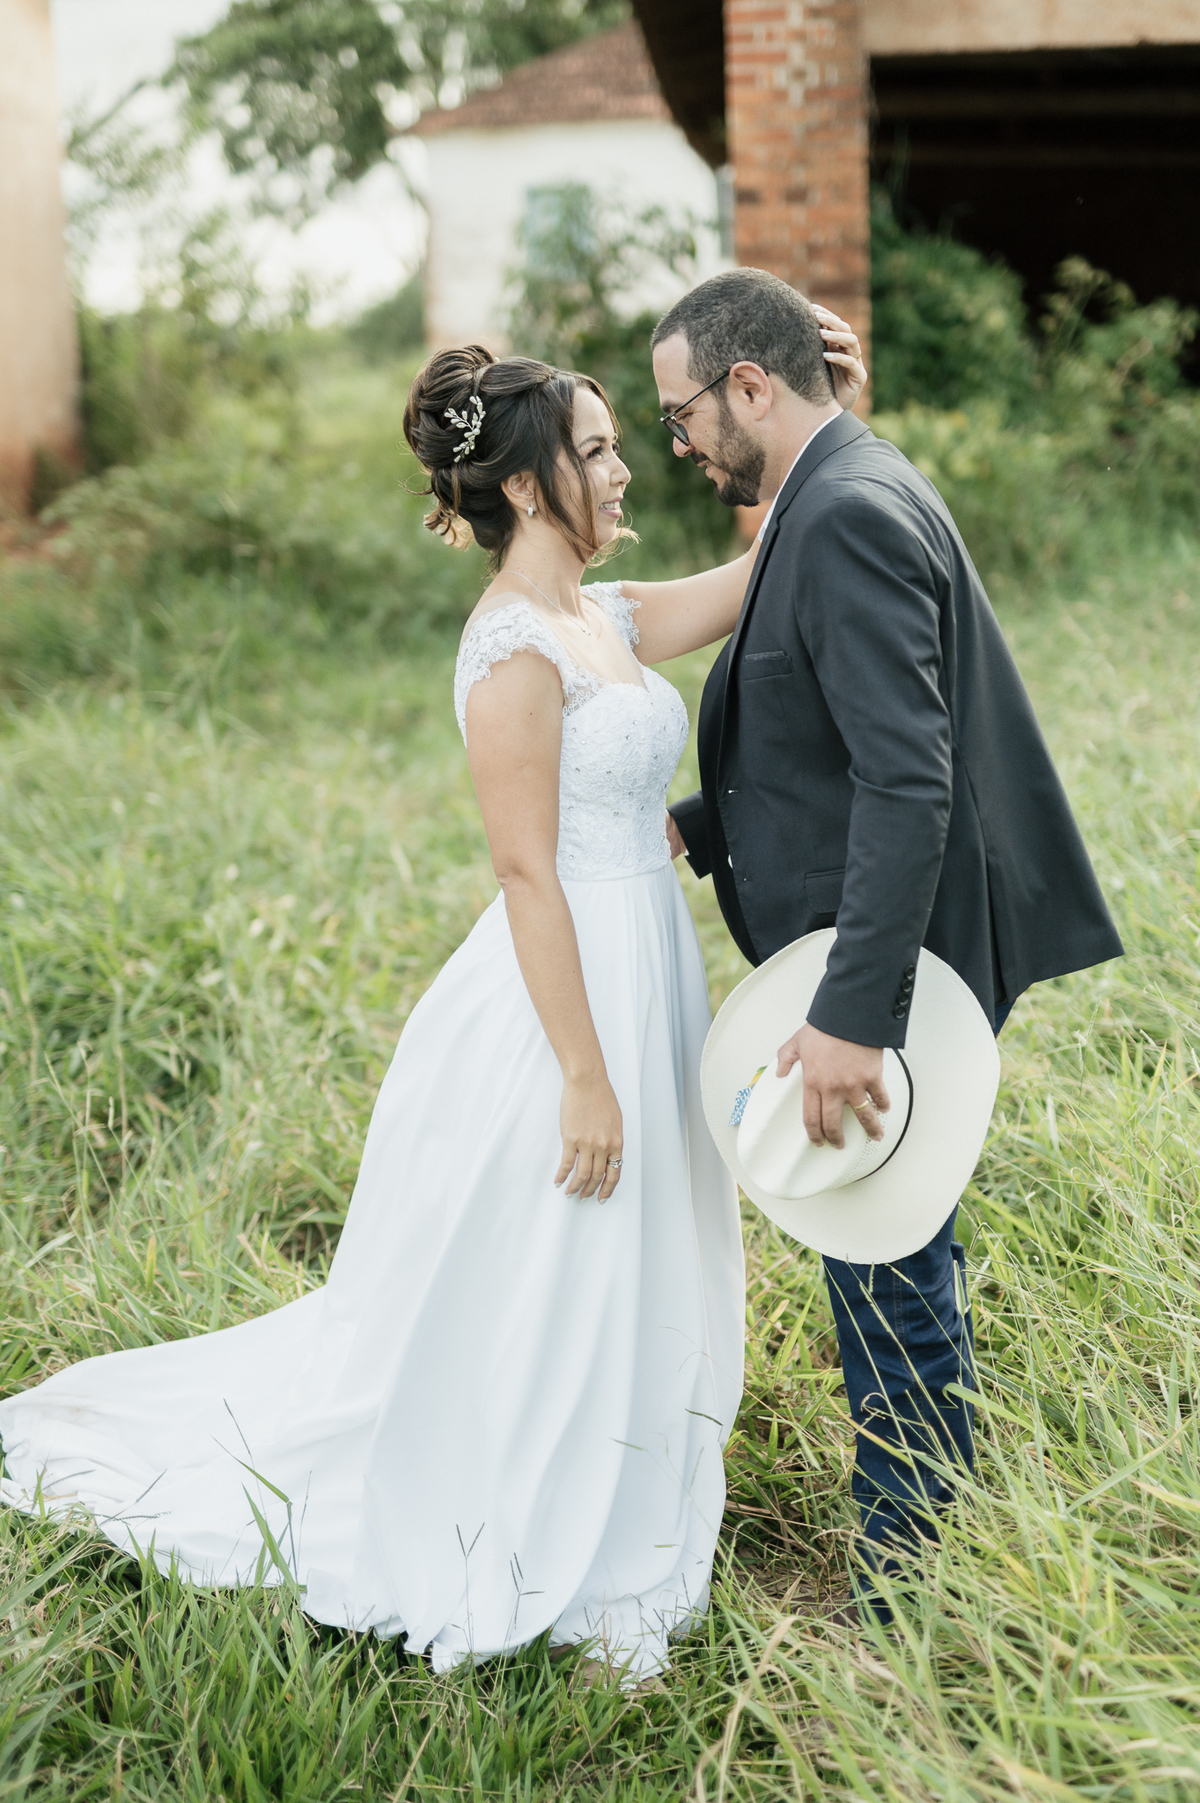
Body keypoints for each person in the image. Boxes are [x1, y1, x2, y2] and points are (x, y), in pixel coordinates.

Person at [0, 318, 868, 1680]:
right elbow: (526, 874)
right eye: (597, 450)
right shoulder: (513, 648)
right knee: (556, 1246)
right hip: (560, 998)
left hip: (645, 965)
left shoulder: (605, 618)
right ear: (525, 483)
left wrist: (829, 410)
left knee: (634, 1244)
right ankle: (523, 1502)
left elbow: (770, 567)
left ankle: (627, 1462)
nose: (624, 470)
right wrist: (585, 1074)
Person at [653, 267, 1123, 1609]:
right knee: (893, 1247)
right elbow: (826, 731)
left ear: (751, 385)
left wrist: (854, 1019)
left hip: (892, 968)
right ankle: (933, 1540)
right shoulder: (834, 483)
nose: (680, 445)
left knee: (882, 1257)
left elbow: (908, 782)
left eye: (682, 415)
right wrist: (701, 821)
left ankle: (913, 1587)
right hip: (890, 939)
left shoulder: (845, 512)